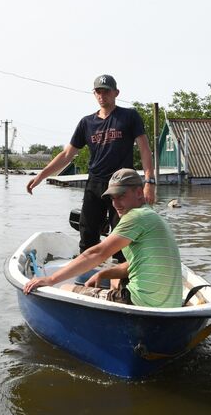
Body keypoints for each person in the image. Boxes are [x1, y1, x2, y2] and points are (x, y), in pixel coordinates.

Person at [26, 74, 156, 256]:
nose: (102, 95)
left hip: (122, 185)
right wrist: (41, 176)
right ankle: (87, 276)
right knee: (87, 234)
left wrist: (149, 182)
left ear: (116, 93)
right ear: (94, 94)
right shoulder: (86, 123)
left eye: (106, 91)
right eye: (98, 92)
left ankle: (122, 280)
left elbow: (144, 149)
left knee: (122, 236)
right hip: (95, 184)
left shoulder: (129, 116)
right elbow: (66, 155)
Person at [23, 169, 183, 308]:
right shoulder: (152, 215)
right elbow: (137, 263)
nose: (116, 204)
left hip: (141, 303)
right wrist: (103, 274)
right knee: (114, 279)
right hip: (170, 305)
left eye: (121, 196)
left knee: (64, 288)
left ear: (139, 193)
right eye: (112, 198)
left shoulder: (135, 216)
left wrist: (51, 279)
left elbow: (97, 253)